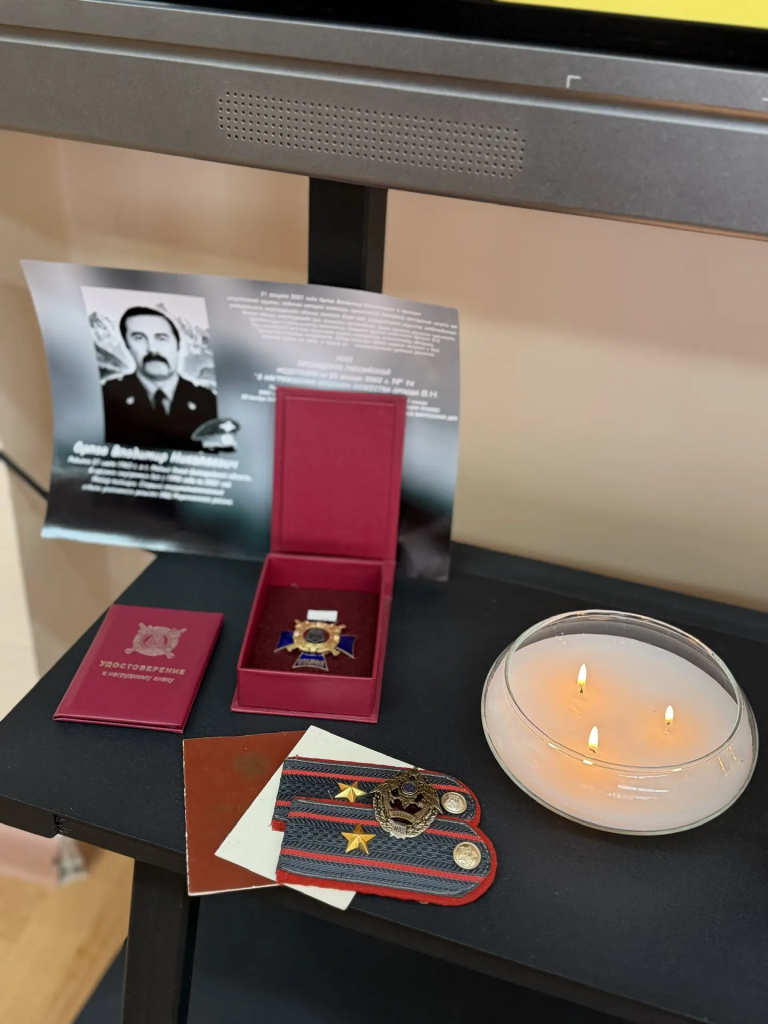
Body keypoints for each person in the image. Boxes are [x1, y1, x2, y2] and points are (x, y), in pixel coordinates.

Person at [102, 307, 217, 451]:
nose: (152, 349)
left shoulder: (208, 403)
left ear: (178, 345)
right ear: (127, 346)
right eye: (139, 338)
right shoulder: (106, 398)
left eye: (161, 338)